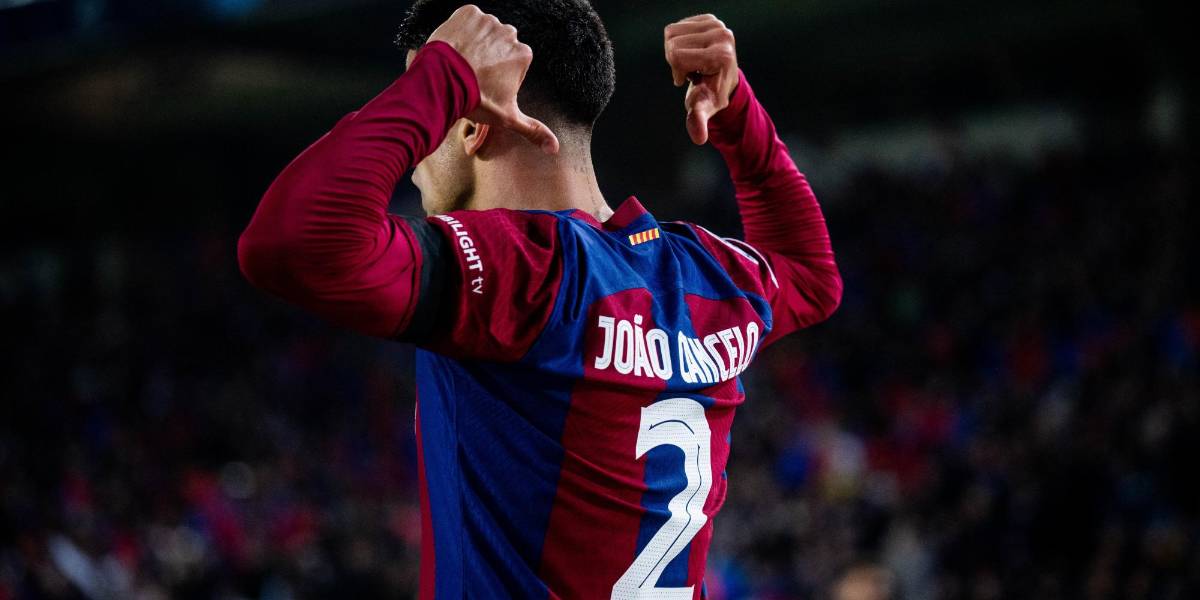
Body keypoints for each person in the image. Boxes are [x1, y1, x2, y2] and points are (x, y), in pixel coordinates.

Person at [237, 1, 841, 597]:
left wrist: (440, 76)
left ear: (471, 125)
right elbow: (812, 277)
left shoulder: (522, 269)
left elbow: (288, 244)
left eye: (430, 105)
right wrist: (737, 117)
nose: (415, 164)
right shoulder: (707, 274)